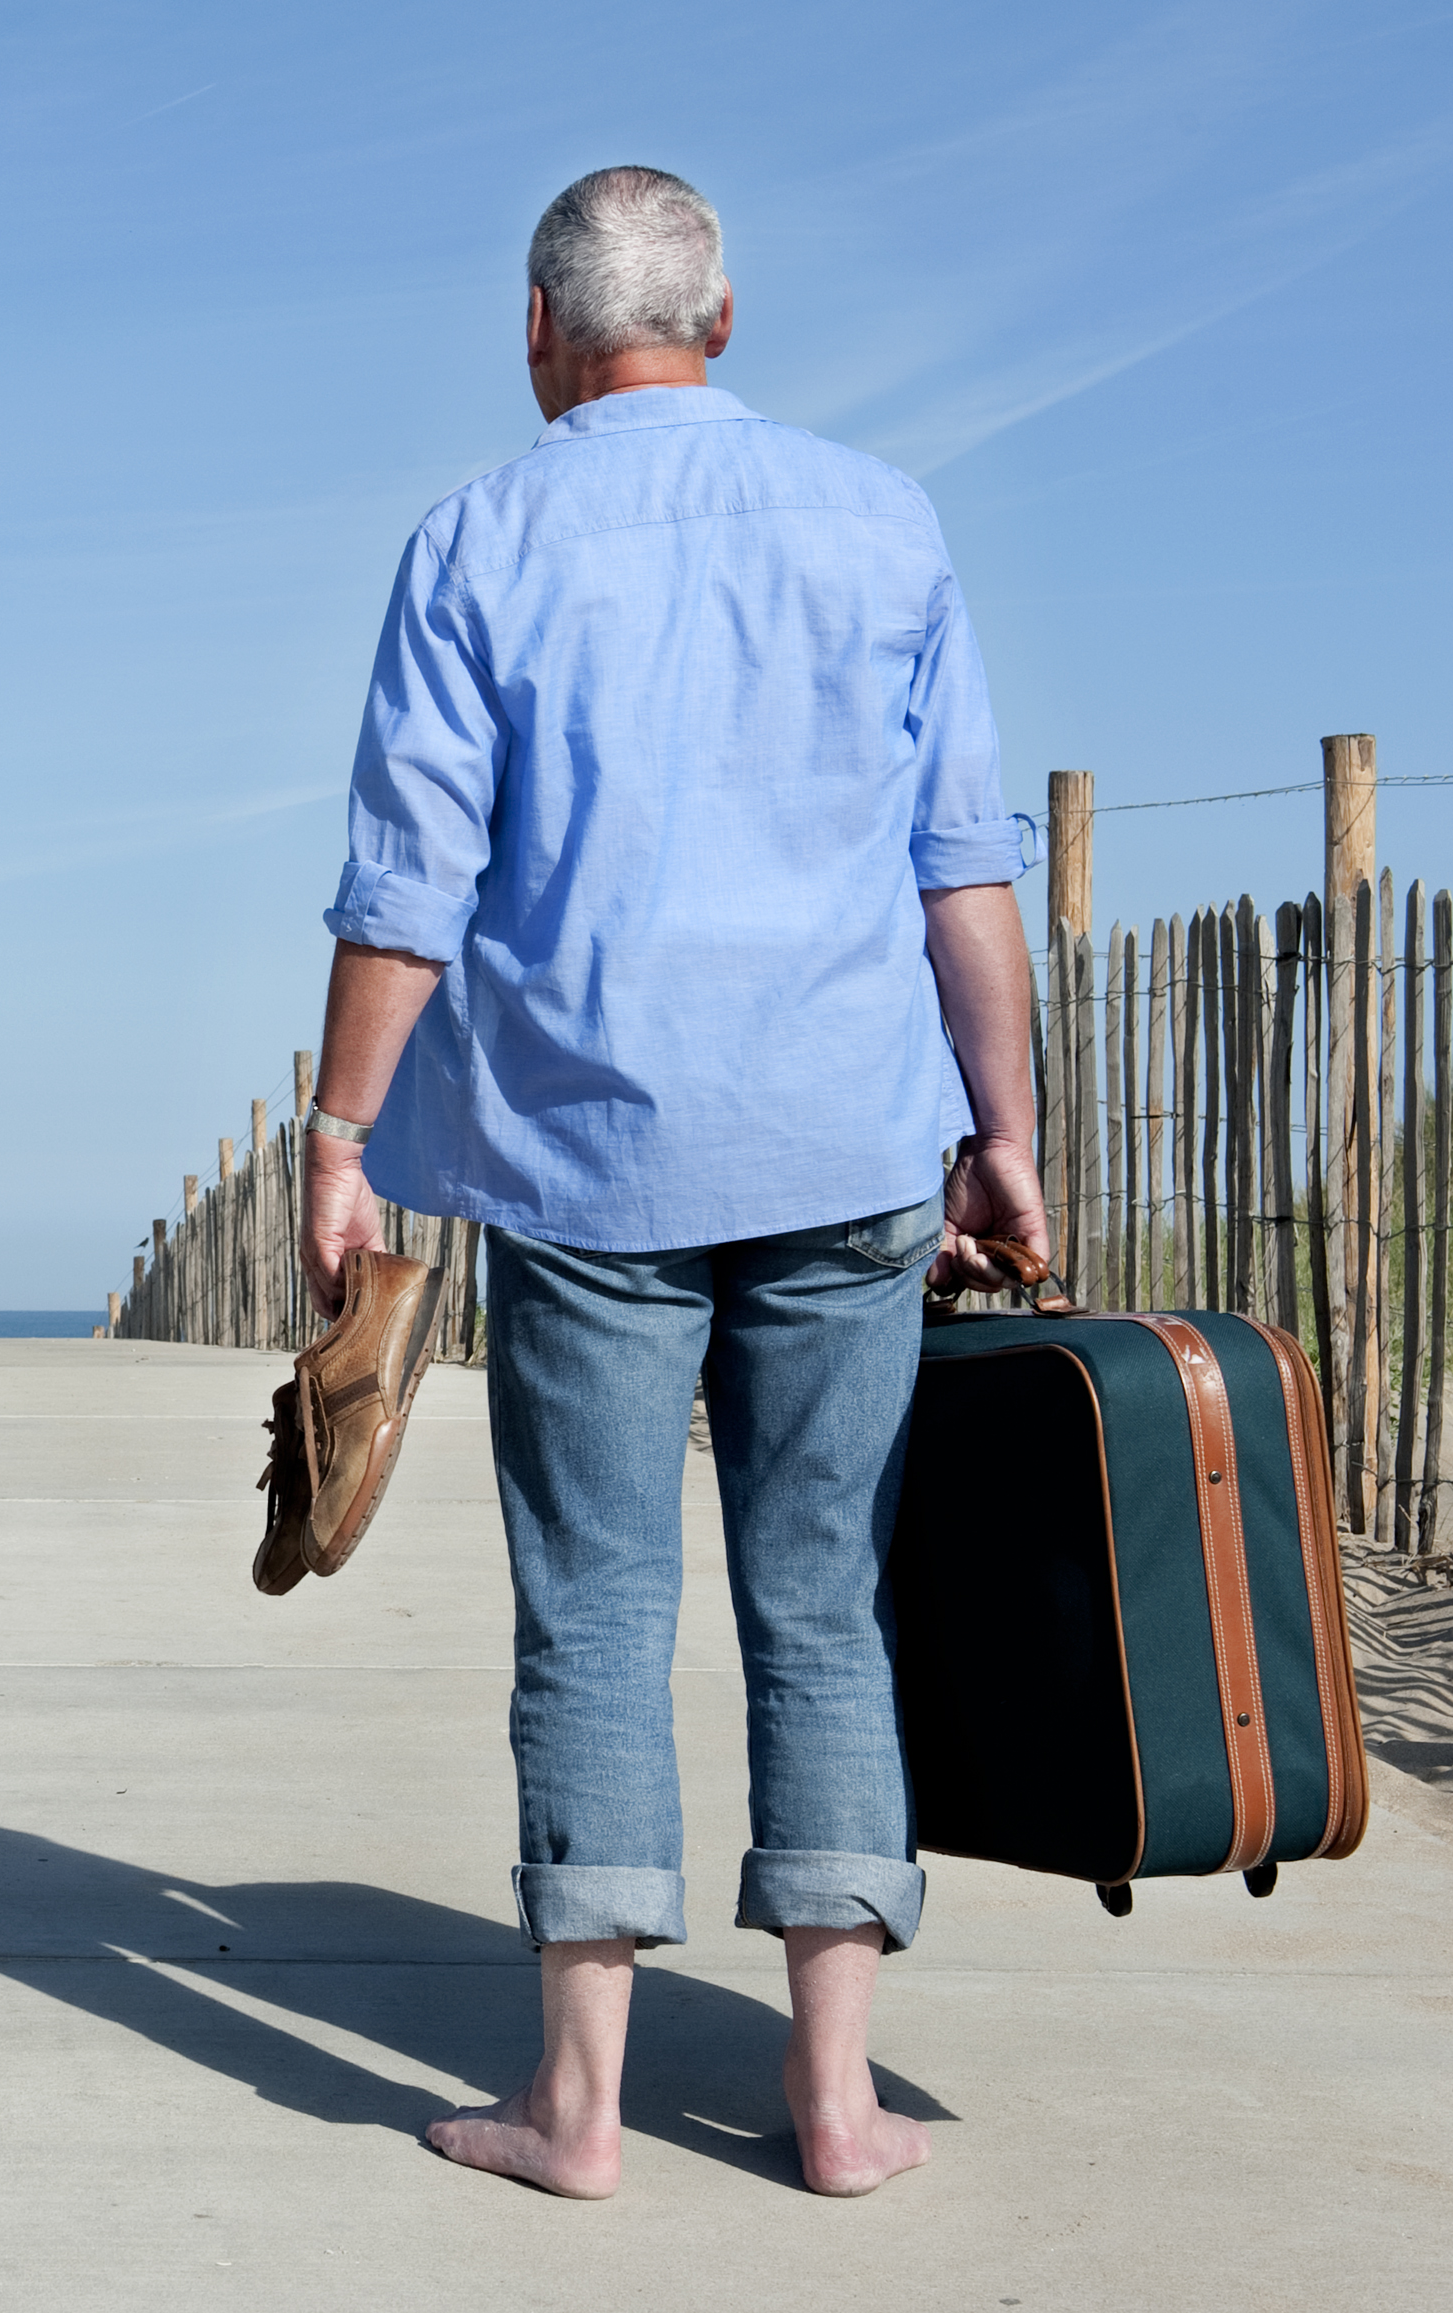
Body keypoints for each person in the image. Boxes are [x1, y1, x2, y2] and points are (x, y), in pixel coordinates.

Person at [297, 165, 1050, 2200]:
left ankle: (574, 2111)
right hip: (845, 1144)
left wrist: (343, 1134)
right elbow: (961, 867)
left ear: (537, 335)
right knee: (825, 1598)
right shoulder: (881, 522)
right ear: (723, 322)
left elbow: (406, 887)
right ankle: (828, 2101)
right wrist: (1009, 1138)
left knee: (594, 1605)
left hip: (578, 1156)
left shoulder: (475, 537)